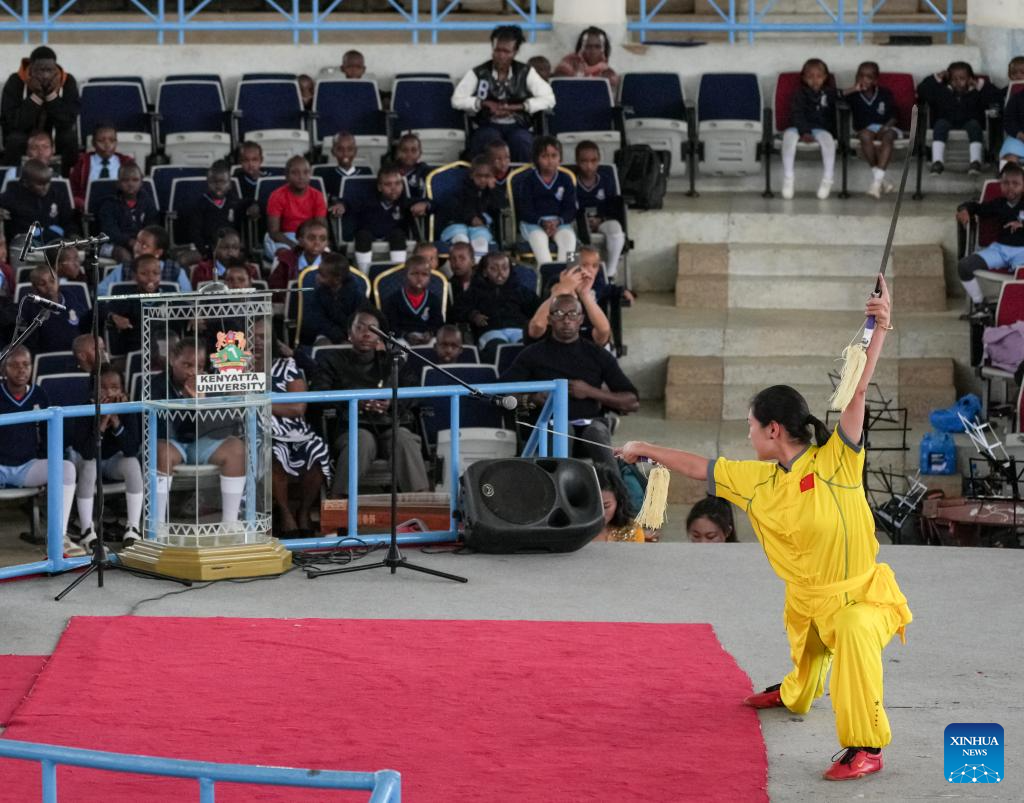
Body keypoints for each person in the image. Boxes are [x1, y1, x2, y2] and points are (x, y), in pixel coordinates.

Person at [618, 275, 911, 782]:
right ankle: (796, 692)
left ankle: (866, 745)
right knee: (806, 658)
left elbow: (857, 389)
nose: (748, 434)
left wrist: (878, 326)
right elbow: (699, 467)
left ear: (773, 429)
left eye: (751, 426)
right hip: (806, 598)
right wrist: (643, 448)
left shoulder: (837, 461)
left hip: (860, 597)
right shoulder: (757, 480)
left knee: (852, 632)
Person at [503, 293, 638, 473]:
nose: (566, 320)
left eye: (573, 314)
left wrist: (590, 391)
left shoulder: (597, 354)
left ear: (581, 319)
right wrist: (534, 398)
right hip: (548, 430)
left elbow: (632, 402)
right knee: (562, 428)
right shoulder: (532, 354)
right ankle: (558, 486)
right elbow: (502, 396)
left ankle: (614, 487)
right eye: (559, 314)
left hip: (589, 429)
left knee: (596, 430)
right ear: (550, 319)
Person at [311, 305, 430, 497]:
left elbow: (415, 393)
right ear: (349, 334)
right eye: (360, 327)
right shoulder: (331, 360)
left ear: (380, 336)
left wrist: (391, 403)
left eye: (372, 329)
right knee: (362, 440)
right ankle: (340, 503)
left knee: (404, 438)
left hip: (390, 425)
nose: (366, 333)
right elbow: (319, 393)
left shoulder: (394, 361)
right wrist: (354, 403)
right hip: (351, 427)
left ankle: (422, 503)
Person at [152, 339, 247, 525]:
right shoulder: (155, 384)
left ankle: (230, 524)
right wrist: (185, 402)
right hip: (172, 443)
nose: (193, 371)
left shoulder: (209, 383)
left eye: (199, 366)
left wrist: (201, 403)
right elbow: (160, 429)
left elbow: (221, 428)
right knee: (161, 451)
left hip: (201, 442)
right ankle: (158, 525)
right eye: (187, 365)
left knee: (236, 449)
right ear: (172, 360)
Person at [0, 345, 80, 555]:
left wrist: (47, 467)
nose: (21, 370)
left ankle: (58, 537)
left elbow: (48, 436)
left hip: (27, 466)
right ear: (4, 369)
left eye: (26, 364)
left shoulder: (39, 394)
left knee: (67, 469)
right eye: (14, 365)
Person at [251, 326, 330, 536]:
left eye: (263, 337)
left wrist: (259, 402)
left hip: (294, 429)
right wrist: (276, 405)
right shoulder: (234, 370)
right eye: (251, 336)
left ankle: (303, 512)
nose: (257, 341)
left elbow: (297, 408)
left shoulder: (286, 365)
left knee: (317, 450)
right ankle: (285, 514)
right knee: (272, 452)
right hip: (257, 430)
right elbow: (234, 404)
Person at [67, 365, 145, 550]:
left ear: (123, 390)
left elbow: (131, 449)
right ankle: (87, 531)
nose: (109, 392)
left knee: (132, 463)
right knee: (90, 465)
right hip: (84, 462)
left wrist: (116, 422)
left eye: (115, 387)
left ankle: (133, 528)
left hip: (111, 462)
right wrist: (102, 422)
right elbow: (87, 453)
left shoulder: (127, 408)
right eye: (103, 388)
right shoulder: (85, 408)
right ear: (93, 390)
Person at [451, 24, 555, 162]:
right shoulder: (479, 72)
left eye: (506, 51)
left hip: (518, 125)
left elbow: (549, 99)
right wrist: (482, 103)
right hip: (487, 124)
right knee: (489, 141)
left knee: (522, 141)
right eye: (497, 50)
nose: (501, 56)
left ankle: (522, 175)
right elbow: (457, 99)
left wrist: (519, 107)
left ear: (515, 52)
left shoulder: (525, 72)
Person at [955, 162, 1024, 307]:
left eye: (1015, 183)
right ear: (1000, 185)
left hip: (1022, 251)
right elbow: (976, 207)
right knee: (964, 266)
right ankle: (979, 304)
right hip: (1000, 250)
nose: (1010, 187)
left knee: (1021, 275)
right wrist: (964, 210)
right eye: (1005, 183)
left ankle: (1015, 309)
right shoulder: (998, 203)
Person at [1, 46, 80, 172]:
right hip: (25, 133)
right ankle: (10, 178)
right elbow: (13, 123)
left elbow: (67, 121)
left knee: (69, 138)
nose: (45, 75)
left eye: (49, 70)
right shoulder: (16, 81)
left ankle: (69, 179)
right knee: (14, 140)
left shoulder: (67, 81)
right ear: (31, 70)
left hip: (54, 134)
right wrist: (36, 97)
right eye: (40, 70)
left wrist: (51, 96)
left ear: (55, 69)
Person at [455, 251, 538, 362]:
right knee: (497, 348)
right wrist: (473, 315)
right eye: (494, 269)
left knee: (525, 349)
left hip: (518, 330)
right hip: (490, 331)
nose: (500, 273)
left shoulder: (520, 290)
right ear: (484, 272)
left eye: (505, 268)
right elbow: (458, 310)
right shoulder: (474, 292)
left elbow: (537, 309)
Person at [338, 164, 422, 271]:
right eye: (388, 184)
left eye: (398, 183)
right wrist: (341, 205)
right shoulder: (367, 199)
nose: (394, 188)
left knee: (399, 234)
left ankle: (397, 272)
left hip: (393, 237)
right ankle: (365, 273)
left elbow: (430, 203)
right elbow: (348, 202)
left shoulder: (404, 201)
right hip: (368, 235)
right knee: (362, 236)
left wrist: (425, 205)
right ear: (379, 187)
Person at [526, 249, 612, 346]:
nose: (589, 270)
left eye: (594, 266)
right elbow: (537, 326)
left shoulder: (597, 286)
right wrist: (563, 289)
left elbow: (604, 332)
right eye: (584, 265)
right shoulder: (556, 283)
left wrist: (584, 294)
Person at [917, 62, 988, 176]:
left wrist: (979, 85)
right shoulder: (941, 90)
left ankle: (975, 162)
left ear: (970, 79)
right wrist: (936, 78)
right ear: (948, 79)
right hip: (947, 121)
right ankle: (937, 162)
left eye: (962, 78)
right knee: (940, 124)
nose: (958, 82)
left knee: (975, 125)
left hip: (969, 122)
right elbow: (922, 90)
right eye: (954, 79)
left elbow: (995, 97)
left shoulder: (976, 92)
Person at [515, 135, 577, 265]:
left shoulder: (566, 179)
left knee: (570, 239)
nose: (550, 161)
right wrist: (542, 222)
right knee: (539, 239)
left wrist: (558, 221)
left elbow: (570, 209)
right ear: (536, 159)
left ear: (560, 158)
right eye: (544, 156)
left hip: (560, 223)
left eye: (554, 156)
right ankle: (547, 271)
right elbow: (525, 210)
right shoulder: (528, 181)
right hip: (533, 224)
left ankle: (568, 270)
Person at [781, 58, 837, 201]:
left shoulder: (829, 93)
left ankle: (828, 179)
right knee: (788, 138)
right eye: (810, 77)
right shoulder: (799, 93)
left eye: (819, 76)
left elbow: (841, 94)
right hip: (798, 127)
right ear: (804, 78)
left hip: (820, 129)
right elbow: (797, 114)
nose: (815, 80)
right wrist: (804, 132)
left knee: (828, 141)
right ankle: (788, 178)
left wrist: (855, 88)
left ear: (825, 77)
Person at [843, 61, 899, 200]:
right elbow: (835, 96)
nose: (864, 79)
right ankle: (879, 182)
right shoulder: (853, 95)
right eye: (860, 75)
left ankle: (877, 183)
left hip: (887, 127)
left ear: (875, 80)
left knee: (888, 136)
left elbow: (894, 115)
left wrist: (885, 127)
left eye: (869, 77)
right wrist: (853, 89)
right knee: (865, 136)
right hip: (865, 129)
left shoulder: (885, 93)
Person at [573, 140, 627, 278]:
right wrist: (583, 221)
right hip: (578, 223)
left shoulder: (607, 180)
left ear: (599, 161)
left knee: (616, 230)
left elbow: (614, 207)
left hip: (602, 221)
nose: (589, 166)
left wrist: (601, 219)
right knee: (569, 235)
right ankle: (572, 273)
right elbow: (569, 207)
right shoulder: (571, 181)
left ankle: (609, 274)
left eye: (593, 161)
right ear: (577, 162)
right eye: (584, 161)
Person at [438, 154, 505, 259]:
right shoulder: (462, 190)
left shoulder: (492, 192)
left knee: (481, 242)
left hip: (479, 228)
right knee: (461, 241)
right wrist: (471, 218)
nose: (483, 179)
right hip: (458, 226)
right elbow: (457, 209)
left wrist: (493, 189)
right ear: (471, 175)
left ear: (492, 176)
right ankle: (463, 267)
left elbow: (500, 206)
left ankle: (477, 266)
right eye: (479, 176)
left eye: (487, 176)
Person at [264, 155, 327, 261]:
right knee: (285, 256)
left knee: (324, 256)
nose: (301, 177)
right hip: (284, 238)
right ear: (286, 176)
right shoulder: (277, 196)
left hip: (310, 236)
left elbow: (320, 227)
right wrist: (295, 246)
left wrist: (308, 243)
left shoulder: (317, 196)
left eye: (305, 172)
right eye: (295, 173)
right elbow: (274, 232)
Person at [97, 225, 192, 295]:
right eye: (137, 242)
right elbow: (100, 291)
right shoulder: (123, 269)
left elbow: (187, 297)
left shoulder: (175, 270)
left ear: (158, 252)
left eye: (144, 245)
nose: (137, 247)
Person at [0, 158, 76, 243]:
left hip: (54, 239)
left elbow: (67, 221)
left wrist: (72, 235)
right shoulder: (13, 194)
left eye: (48, 182)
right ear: (26, 183)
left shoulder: (56, 193)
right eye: (40, 184)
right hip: (25, 240)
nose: (45, 187)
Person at [104, 254, 166, 356]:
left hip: (166, 353)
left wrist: (193, 317)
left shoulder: (168, 294)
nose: (151, 278)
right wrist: (114, 317)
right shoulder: (127, 296)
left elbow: (186, 308)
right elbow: (103, 309)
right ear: (134, 276)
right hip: (134, 353)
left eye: (156, 273)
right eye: (144, 274)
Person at [97, 162, 159, 264]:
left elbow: (152, 227)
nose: (130, 184)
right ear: (118, 183)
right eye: (125, 180)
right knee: (123, 254)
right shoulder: (108, 204)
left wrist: (143, 243)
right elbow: (110, 232)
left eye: (135, 180)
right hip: (110, 244)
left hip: (139, 243)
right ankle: (130, 274)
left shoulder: (147, 202)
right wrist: (129, 241)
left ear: (141, 182)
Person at [299, 251, 364, 346]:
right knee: (323, 345)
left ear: (337, 279)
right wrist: (339, 339)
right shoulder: (318, 293)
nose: (317, 277)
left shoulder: (356, 294)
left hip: (351, 335)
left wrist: (350, 338)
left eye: (322, 276)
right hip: (325, 334)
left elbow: (360, 319)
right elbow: (317, 321)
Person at [183, 161, 244, 262]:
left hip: (231, 247)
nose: (218, 186)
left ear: (230, 184)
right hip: (208, 247)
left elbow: (247, 204)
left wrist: (254, 205)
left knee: (245, 259)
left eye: (223, 182)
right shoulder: (200, 204)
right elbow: (195, 232)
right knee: (183, 259)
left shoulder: (234, 201)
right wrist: (204, 251)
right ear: (207, 183)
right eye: (214, 182)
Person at [68, 123, 135, 211]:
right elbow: (72, 190)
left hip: (121, 210)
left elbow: (136, 187)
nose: (107, 145)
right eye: (101, 141)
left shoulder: (126, 162)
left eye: (112, 140)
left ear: (116, 142)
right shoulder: (83, 163)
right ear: (93, 143)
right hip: (90, 211)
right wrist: (81, 203)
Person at [380, 255, 444, 345]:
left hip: (426, 339)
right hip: (402, 338)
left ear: (430, 277)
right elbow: (390, 326)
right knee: (398, 344)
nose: (419, 278)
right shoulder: (393, 300)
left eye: (424, 274)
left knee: (436, 343)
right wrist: (405, 335)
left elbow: (438, 324)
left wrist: (430, 333)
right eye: (414, 274)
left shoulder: (433, 299)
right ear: (404, 276)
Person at [23, 264, 87, 354]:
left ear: (58, 281)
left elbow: (85, 325)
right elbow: (32, 345)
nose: (49, 286)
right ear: (34, 288)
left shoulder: (71, 298)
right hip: (48, 357)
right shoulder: (31, 310)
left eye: (52, 281)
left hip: (78, 354)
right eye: (42, 284)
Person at [268, 217, 330, 291]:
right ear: (300, 241)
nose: (317, 242)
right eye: (311, 238)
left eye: (322, 239)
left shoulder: (333, 263)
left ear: (327, 243)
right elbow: (275, 289)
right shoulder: (286, 261)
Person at [323, 130, 373, 214]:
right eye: (340, 149)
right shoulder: (326, 176)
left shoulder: (366, 174)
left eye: (350, 149)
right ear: (333, 152)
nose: (345, 153)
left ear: (355, 151)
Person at [554, 26, 618, 89]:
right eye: (588, 46)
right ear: (581, 48)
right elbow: (558, 83)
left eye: (597, 47)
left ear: (604, 50)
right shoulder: (569, 62)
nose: (593, 51)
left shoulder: (608, 72)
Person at [592, 463, 643, 542]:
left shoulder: (632, 532)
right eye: (593, 506)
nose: (600, 513)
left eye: (606, 506)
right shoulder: (572, 532)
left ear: (618, 502)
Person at [191, 227, 259, 286]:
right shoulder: (202, 270)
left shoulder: (250, 270)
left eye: (235, 248)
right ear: (214, 248)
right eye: (225, 248)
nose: (230, 252)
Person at [997, 57, 1024, 167]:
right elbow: (1008, 121)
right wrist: (1019, 134)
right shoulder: (1016, 98)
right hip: (1018, 137)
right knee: (1008, 159)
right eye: (1014, 73)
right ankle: (1007, 177)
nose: (1018, 76)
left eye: (1023, 73)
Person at [393, 132, 431, 202]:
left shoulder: (426, 172)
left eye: (414, 150)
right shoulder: (390, 173)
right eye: (404, 150)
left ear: (420, 153)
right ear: (398, 152)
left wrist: (426, 204)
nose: (409, 154)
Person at [233, 140, 271, 207]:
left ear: (261, 160)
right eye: (246, 160)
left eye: (254, 160)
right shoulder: (236, 180)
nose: (250, 164)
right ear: (240, 161)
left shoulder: (269, 179)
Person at [446, 241, 476, 307]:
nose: (457, 262)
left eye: (462, 258)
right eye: (453, 259)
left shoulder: (483, 283)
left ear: (473, 261)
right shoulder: (448, 285)